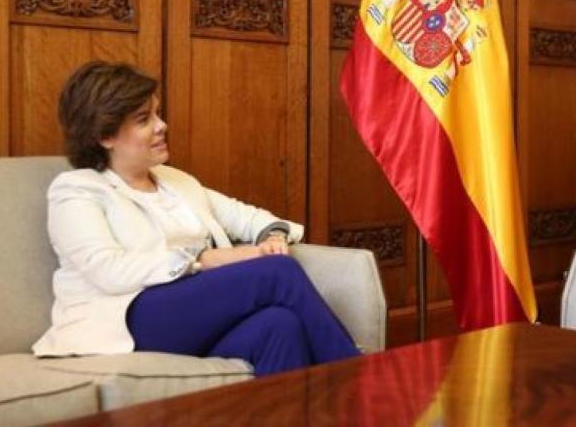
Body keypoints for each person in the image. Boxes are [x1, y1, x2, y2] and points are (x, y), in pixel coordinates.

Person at [32, 61, 360, 375]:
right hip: (127, 320)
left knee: (279, 325)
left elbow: (252, 219)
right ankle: (368, 389)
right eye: (144, 119)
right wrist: (202, 259)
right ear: (105, 135)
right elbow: (109, 271)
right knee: (277, 272)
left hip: (193, 316)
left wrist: (272, 238)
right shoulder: (77, 189)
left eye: (157, 113)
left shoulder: (176, 182)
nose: (162, 126)